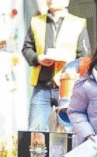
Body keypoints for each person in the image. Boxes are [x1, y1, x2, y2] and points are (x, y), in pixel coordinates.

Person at [22, 0, 90, 131]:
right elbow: (27, 49)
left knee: (68, 131)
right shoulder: (36, 22)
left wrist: (73, 68)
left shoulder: (78, 23)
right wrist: (38, 58)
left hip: (67, 87)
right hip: (42, 86)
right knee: (35, 131)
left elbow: (85, 56)